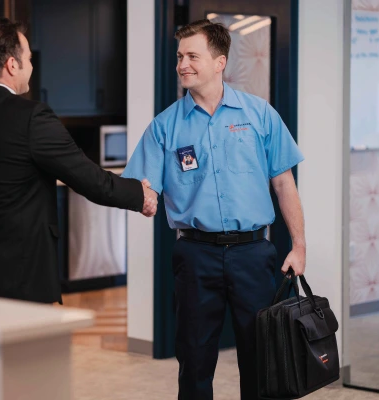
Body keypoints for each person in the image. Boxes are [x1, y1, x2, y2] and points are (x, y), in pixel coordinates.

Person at [122, 19, 306, 399]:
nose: (182, 64)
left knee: (261, 359)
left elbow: (284, 183)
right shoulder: (164, 126)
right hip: (195, 254)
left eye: (192, 56)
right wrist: (145, 196)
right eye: (179, 56)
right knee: (194, 359)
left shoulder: (259, 115)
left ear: (219, 62)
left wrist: (299, 246)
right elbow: (143, 186)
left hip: (253, 253)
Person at [0, 17, 158, 304]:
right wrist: (139, 194)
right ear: (12, 64)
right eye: (29, 59)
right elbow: (87, 178)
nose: (31, 67)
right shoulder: (32, 117)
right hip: (19, 282)